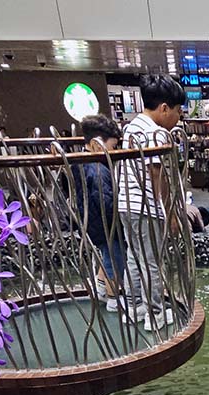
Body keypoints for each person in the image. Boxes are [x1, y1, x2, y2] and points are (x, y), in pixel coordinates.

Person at [119, 74, 184, 331]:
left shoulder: (131, 127)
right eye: (178, 111)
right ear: (164, 108)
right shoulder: (156, 133)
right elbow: (157, 175)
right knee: (152, 262)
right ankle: (155, 315)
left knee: (134, 258)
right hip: (146, 207)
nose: (179, 118)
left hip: (126, 204)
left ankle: (134, 308)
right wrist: (169, 212)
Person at [72, 115, 125, 312]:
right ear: (98, 143)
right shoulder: (98, 169)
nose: (114, 151)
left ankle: (101, 289)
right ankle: (114, 298)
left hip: (89, 221)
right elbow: (106, 201)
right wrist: (119, 221)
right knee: (114, 258)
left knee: (105, 254)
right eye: (113, 146)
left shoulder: (79, 161)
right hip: (105, 223)